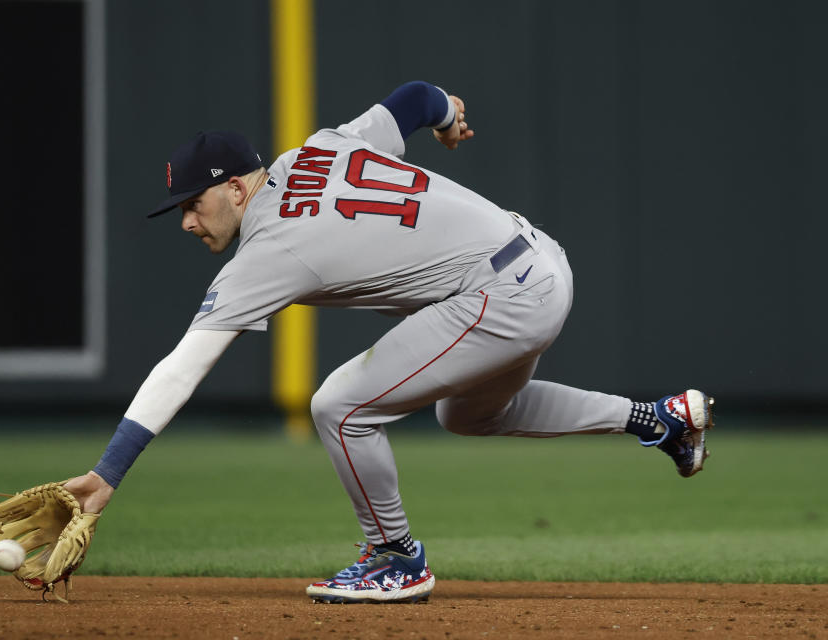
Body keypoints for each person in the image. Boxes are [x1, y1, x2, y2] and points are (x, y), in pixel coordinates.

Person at [64, 81, 714, 604]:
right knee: (468, 414)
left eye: (193, 201)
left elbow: (184, 366)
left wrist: (108, 471)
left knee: (339, 407)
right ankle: (661, 420)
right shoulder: (322, 146)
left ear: (237, 187)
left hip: (501, 293)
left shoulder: (267, 248)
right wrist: (447, 117)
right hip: (539, 260)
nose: (185, 219)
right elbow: (415, 97)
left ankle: (395, 559)